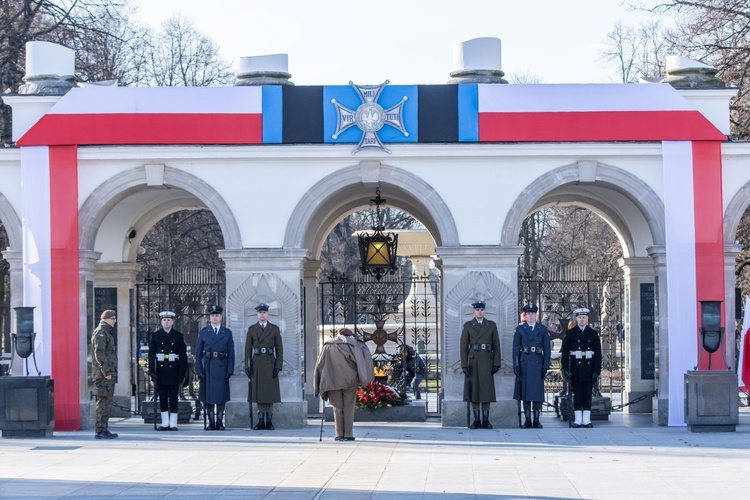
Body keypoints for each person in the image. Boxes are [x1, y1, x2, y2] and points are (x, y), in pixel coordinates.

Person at [314, 328, 374, 441]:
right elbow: (364, 359)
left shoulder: (328, 345)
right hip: (350, 380)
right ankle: (348, 434)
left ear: (338, 334)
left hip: (332, 380)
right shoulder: (355, 345)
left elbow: (319, 364)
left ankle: (338, 434)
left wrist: (318, 383)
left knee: (337, 407)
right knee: (349, 407)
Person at [460, 301, 501, 429]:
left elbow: (496, 346)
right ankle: (476, 419)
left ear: (485, 311)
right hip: (473, 362)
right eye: (477, 310)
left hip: (487, 361)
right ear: (474, 311)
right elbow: (463, 347)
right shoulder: (468, 326)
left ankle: (486, 420)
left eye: (482, 310)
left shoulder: (491, 325)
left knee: (486, 392)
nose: (480, 312)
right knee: (474, 392)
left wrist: (496, 363)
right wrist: (464, 365)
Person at [244, 302, 283, 430]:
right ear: (257, 314)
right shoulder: (252, 329)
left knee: (269, 393)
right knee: (259, 394)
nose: (262, 315)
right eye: (260, 313)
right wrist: (247, 366)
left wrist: (278, 366)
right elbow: (247, 349)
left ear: (268, 314)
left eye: (264, 312)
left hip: (270, 363)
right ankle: (261, 419)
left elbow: (279, 348)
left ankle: (269, 420)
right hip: (257, 364)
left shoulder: (274, 329)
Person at [561, 307, 602, 428]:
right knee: (577, 394)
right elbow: (565, 354)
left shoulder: (593, 333)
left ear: (587, 318)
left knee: (587, 394)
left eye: (584, 317)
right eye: (579, 317)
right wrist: (566, 370)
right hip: (576, 368)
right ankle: (578, 420)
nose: (582, 320)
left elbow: (598, 355)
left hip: (589, 368)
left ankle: (587, 420)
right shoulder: (570, 333)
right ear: (576, 319)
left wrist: (596, 371)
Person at [512, 304, 552, 428]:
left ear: (536, 315)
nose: (531, 316)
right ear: (525, 315)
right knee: (525, 393)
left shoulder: (542, 329)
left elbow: (547, 349)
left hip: (537, 363)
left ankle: (537, 419)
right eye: (528, 314)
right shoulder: (520, 329)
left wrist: (545, 366)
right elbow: (515, 349)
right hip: (525, 363)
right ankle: (527, 419)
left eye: (533, 313)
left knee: (536, 394)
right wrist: (516, 365)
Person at [197, 305, 235, 430]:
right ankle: (211, 421)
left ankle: (219, 420)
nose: (215, 318)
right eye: (212, 315)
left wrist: (230, 370)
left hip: (221, 366)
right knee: (208, 396)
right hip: (208, 367)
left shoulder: (227, 333)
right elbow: (198, 353)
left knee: (220, 396)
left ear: (221, 317)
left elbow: (231, 353)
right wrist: (199, 370)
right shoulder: (204, 332)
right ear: (209, 317)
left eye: (217, 315)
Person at [148, 310, 187, 431]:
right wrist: (152, 371)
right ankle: (165, 422)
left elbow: (183, 357)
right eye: (164, 320)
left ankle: (173, 423)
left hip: (173, 370)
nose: (166, 322)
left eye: (169, 320)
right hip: (161, 371)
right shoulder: (155, 336)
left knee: (174, 397)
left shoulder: (178, 336)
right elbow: (151, 355)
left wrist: (182, 373)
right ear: (161, 322)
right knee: (163, 397)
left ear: (173, 322)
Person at [92, 309, 118, 440]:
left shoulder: (106, 333)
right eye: (112, 318)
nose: (114, 321)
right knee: (103, 402)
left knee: (107, 402)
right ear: (106, 319)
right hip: (103, 376)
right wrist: (106, 372)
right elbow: (99, 354)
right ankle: (100, 430)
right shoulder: (101, 333)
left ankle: (104, 428)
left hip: (107, 374)